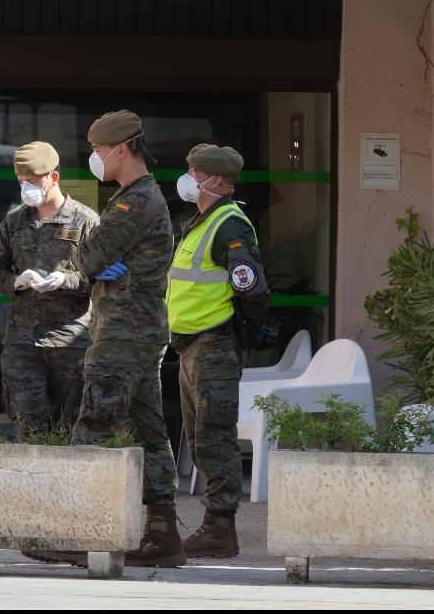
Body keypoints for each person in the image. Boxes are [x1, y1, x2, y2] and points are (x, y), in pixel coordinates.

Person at [68, 110, 183, 568]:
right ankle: (163, 535)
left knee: (95, 424)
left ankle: (80, 532)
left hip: (123, 332)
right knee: (148, 432)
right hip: (136, 330)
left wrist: (87, 255)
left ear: (120, 149)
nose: (95, 159)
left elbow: (90, 257)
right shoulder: (136, 198)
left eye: (97, 151)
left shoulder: (134, 201)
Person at [169, 144, 272, 558]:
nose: (187, 178)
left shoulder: (230, 224)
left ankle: (220, 529)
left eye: (193, 172)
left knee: (214, 437)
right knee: (199, 439)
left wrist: (246, 330)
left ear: (214, 180)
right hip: (193, 344)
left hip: (214, 343)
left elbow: (250, 286)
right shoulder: (202, 221)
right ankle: (214, 525)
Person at [0, 141, 98, 441]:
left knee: (69, 428)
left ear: (54, 178)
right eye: (21, 182)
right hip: (24, 343)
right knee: (29, 426)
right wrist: (16, 281)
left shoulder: (85, 220)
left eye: (32, 182)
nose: (26, 189)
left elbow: (100, 278)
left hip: (70, 342)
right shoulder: (14, 221)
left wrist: (66, 280)